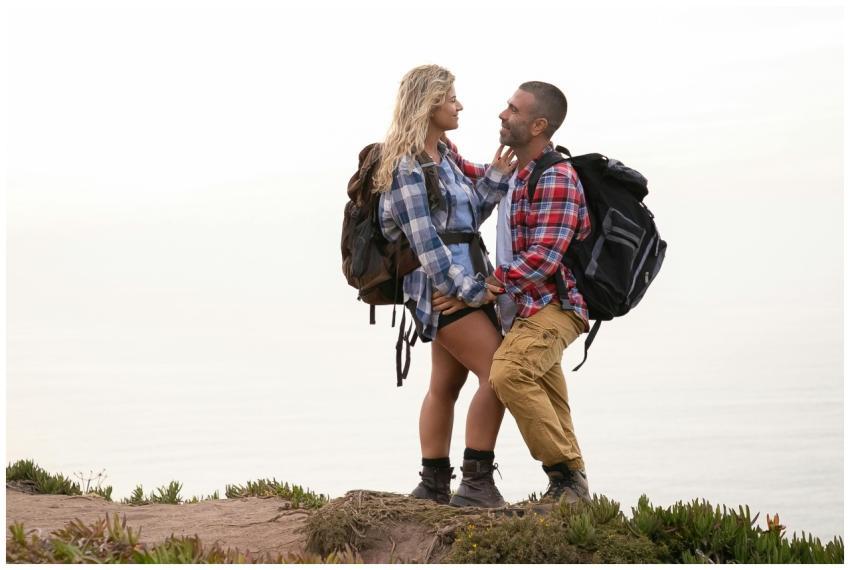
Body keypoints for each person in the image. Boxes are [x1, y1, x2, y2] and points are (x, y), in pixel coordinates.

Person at [374, 64, 517, 508]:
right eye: (451, 98)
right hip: (444, 289)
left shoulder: (445, 156)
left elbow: (468, 218)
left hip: (463, 280)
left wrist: (493, 177)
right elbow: (425, 243)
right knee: (500, 375)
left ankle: (433, 485)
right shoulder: (405, 167)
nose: (459, 105)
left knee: (445, 387)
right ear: (429, 103)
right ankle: (475, 486)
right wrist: (468, 292)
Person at [486, 81, 593, 504]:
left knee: (510, 373)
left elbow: (544, 259)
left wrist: (487, 287)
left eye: (512, 109)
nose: (502, 114)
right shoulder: (519, 174)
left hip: (556, 305)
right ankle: (574, 496)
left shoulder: (557, 177)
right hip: (527, 308)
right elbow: (470, 177)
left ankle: (564, 475)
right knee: (550, 398)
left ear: (538, 125)